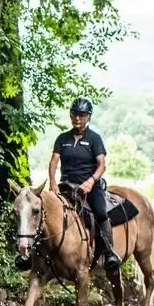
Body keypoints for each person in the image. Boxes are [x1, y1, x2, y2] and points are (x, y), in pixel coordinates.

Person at [48, 97, 121, 272]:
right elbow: (53, 163)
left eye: (82, 115)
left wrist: (91, 181)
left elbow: (102, 165)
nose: (77, 118)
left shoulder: (95, 139)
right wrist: (53, 183)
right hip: (66, 185)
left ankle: (109, 252)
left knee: (101, 213)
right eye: (74, 114)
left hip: (89, 186)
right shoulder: (62, 138)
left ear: (88, 117)